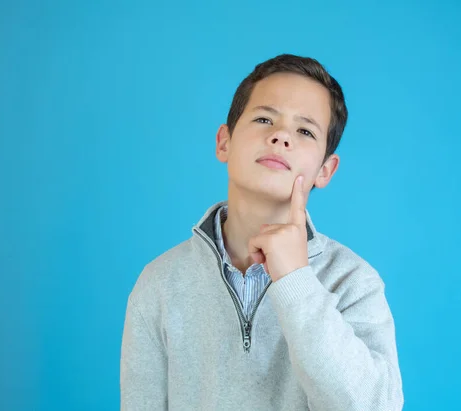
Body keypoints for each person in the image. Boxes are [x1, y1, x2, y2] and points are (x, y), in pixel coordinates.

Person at [120, 54, 404, 411]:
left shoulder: (353, 282)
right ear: (224, 142)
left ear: (325, 170)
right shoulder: (160, 283)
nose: (280, 135)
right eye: (264, 118)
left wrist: (296, 281)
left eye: (304, 131)